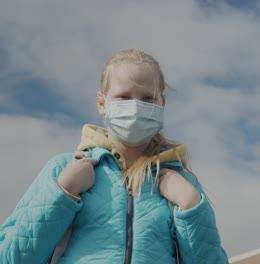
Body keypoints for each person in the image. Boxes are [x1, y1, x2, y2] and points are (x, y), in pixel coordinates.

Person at [0, 49, 229, 263]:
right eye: (124, 97)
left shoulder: (182, 181)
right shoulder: (62, 168)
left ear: (162, 103)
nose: (136, 105)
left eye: (147, 98)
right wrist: (64, 192)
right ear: (102, 103)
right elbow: (11, 258)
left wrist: (190, 205)